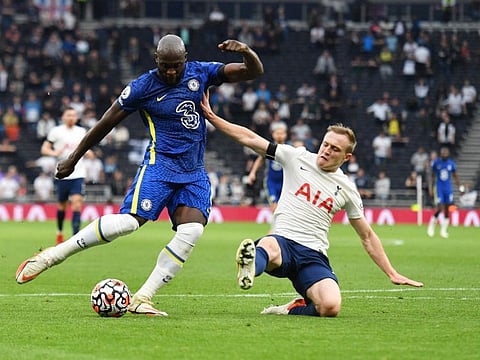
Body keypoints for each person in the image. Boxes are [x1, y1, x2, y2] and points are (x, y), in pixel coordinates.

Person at [15, 34, 264, 317]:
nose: (171, 72)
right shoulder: (142, 87)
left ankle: (143, 298)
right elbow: (106, 121)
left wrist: (246, 50)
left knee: (192, 230)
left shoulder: (201, 72)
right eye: (165, 66)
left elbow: (253, 71)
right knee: (128, 224)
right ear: (156, 60)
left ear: (185, 59)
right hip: (159, 166)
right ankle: (52, 256)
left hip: (193, 172)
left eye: (176, 66)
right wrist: (74, 158)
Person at [200, 92, 423, 317]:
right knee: (267, 246)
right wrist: (212, 117)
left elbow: (366, 236)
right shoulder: (296, 157)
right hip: (283, 242)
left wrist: (391, 272)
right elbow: (250, 139)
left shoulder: (347, 189)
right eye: (326, 144)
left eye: (335, 149)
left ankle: (288, 309)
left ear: (346, 157)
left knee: (330, 307)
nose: (326, 150)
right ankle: (249, 267)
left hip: (313, 255)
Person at [41, 107, 88, 244]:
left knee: (77, 203)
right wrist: (54, 154)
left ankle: (75, 237)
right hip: (61, 173)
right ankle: (60, 232)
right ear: (63, 117)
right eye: (69, 115)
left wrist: (89, 153)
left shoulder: (81, 132)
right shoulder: (56, 131)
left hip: (78, 173)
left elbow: (86, 147)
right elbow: (44, 149)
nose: (71, 117)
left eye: (74, 115)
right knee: (62, 205)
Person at [247, 121, 288, 223]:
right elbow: (260, 160)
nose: (279, 135)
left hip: (285, 183)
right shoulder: (269, 148)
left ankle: (279, 228)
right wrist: (252, 173)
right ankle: (275, 229)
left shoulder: (288, 150)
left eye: (282, 133)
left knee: (284, 207)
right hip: (271, 183)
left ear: (285, 135)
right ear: (273, 134)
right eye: (277, 133)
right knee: (274, 205)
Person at [427, 146, 463, 238]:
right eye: (443, 153)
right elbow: (432, 176)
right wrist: (431, 188)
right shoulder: (436, 163)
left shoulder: (451, 163)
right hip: (439, 188)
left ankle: (443, 231)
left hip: (448, 188)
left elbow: (455, 176)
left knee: (447, 209)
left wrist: (460, 187)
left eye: (446, 153)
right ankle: (431, 226)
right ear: (441, 154)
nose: (445, 154)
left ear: (448, 154)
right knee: (440, 208)